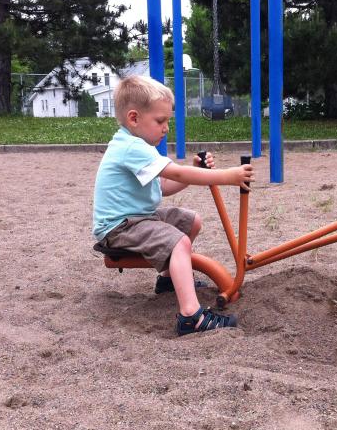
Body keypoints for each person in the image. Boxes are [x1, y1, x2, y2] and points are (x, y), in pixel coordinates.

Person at [92, 75, 254, 336]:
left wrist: (196, 170)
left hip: (139, 218)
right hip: (119, 227)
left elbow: (165, 186)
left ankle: (168, 280)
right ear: (134, 118)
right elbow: (176, 173)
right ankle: (191, 317)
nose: (166, 128)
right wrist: (226, 176)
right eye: (160, 121)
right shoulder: (131, 147)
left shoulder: (138, 145)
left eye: (168, 120)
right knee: (179, 243)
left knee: (191, 221)